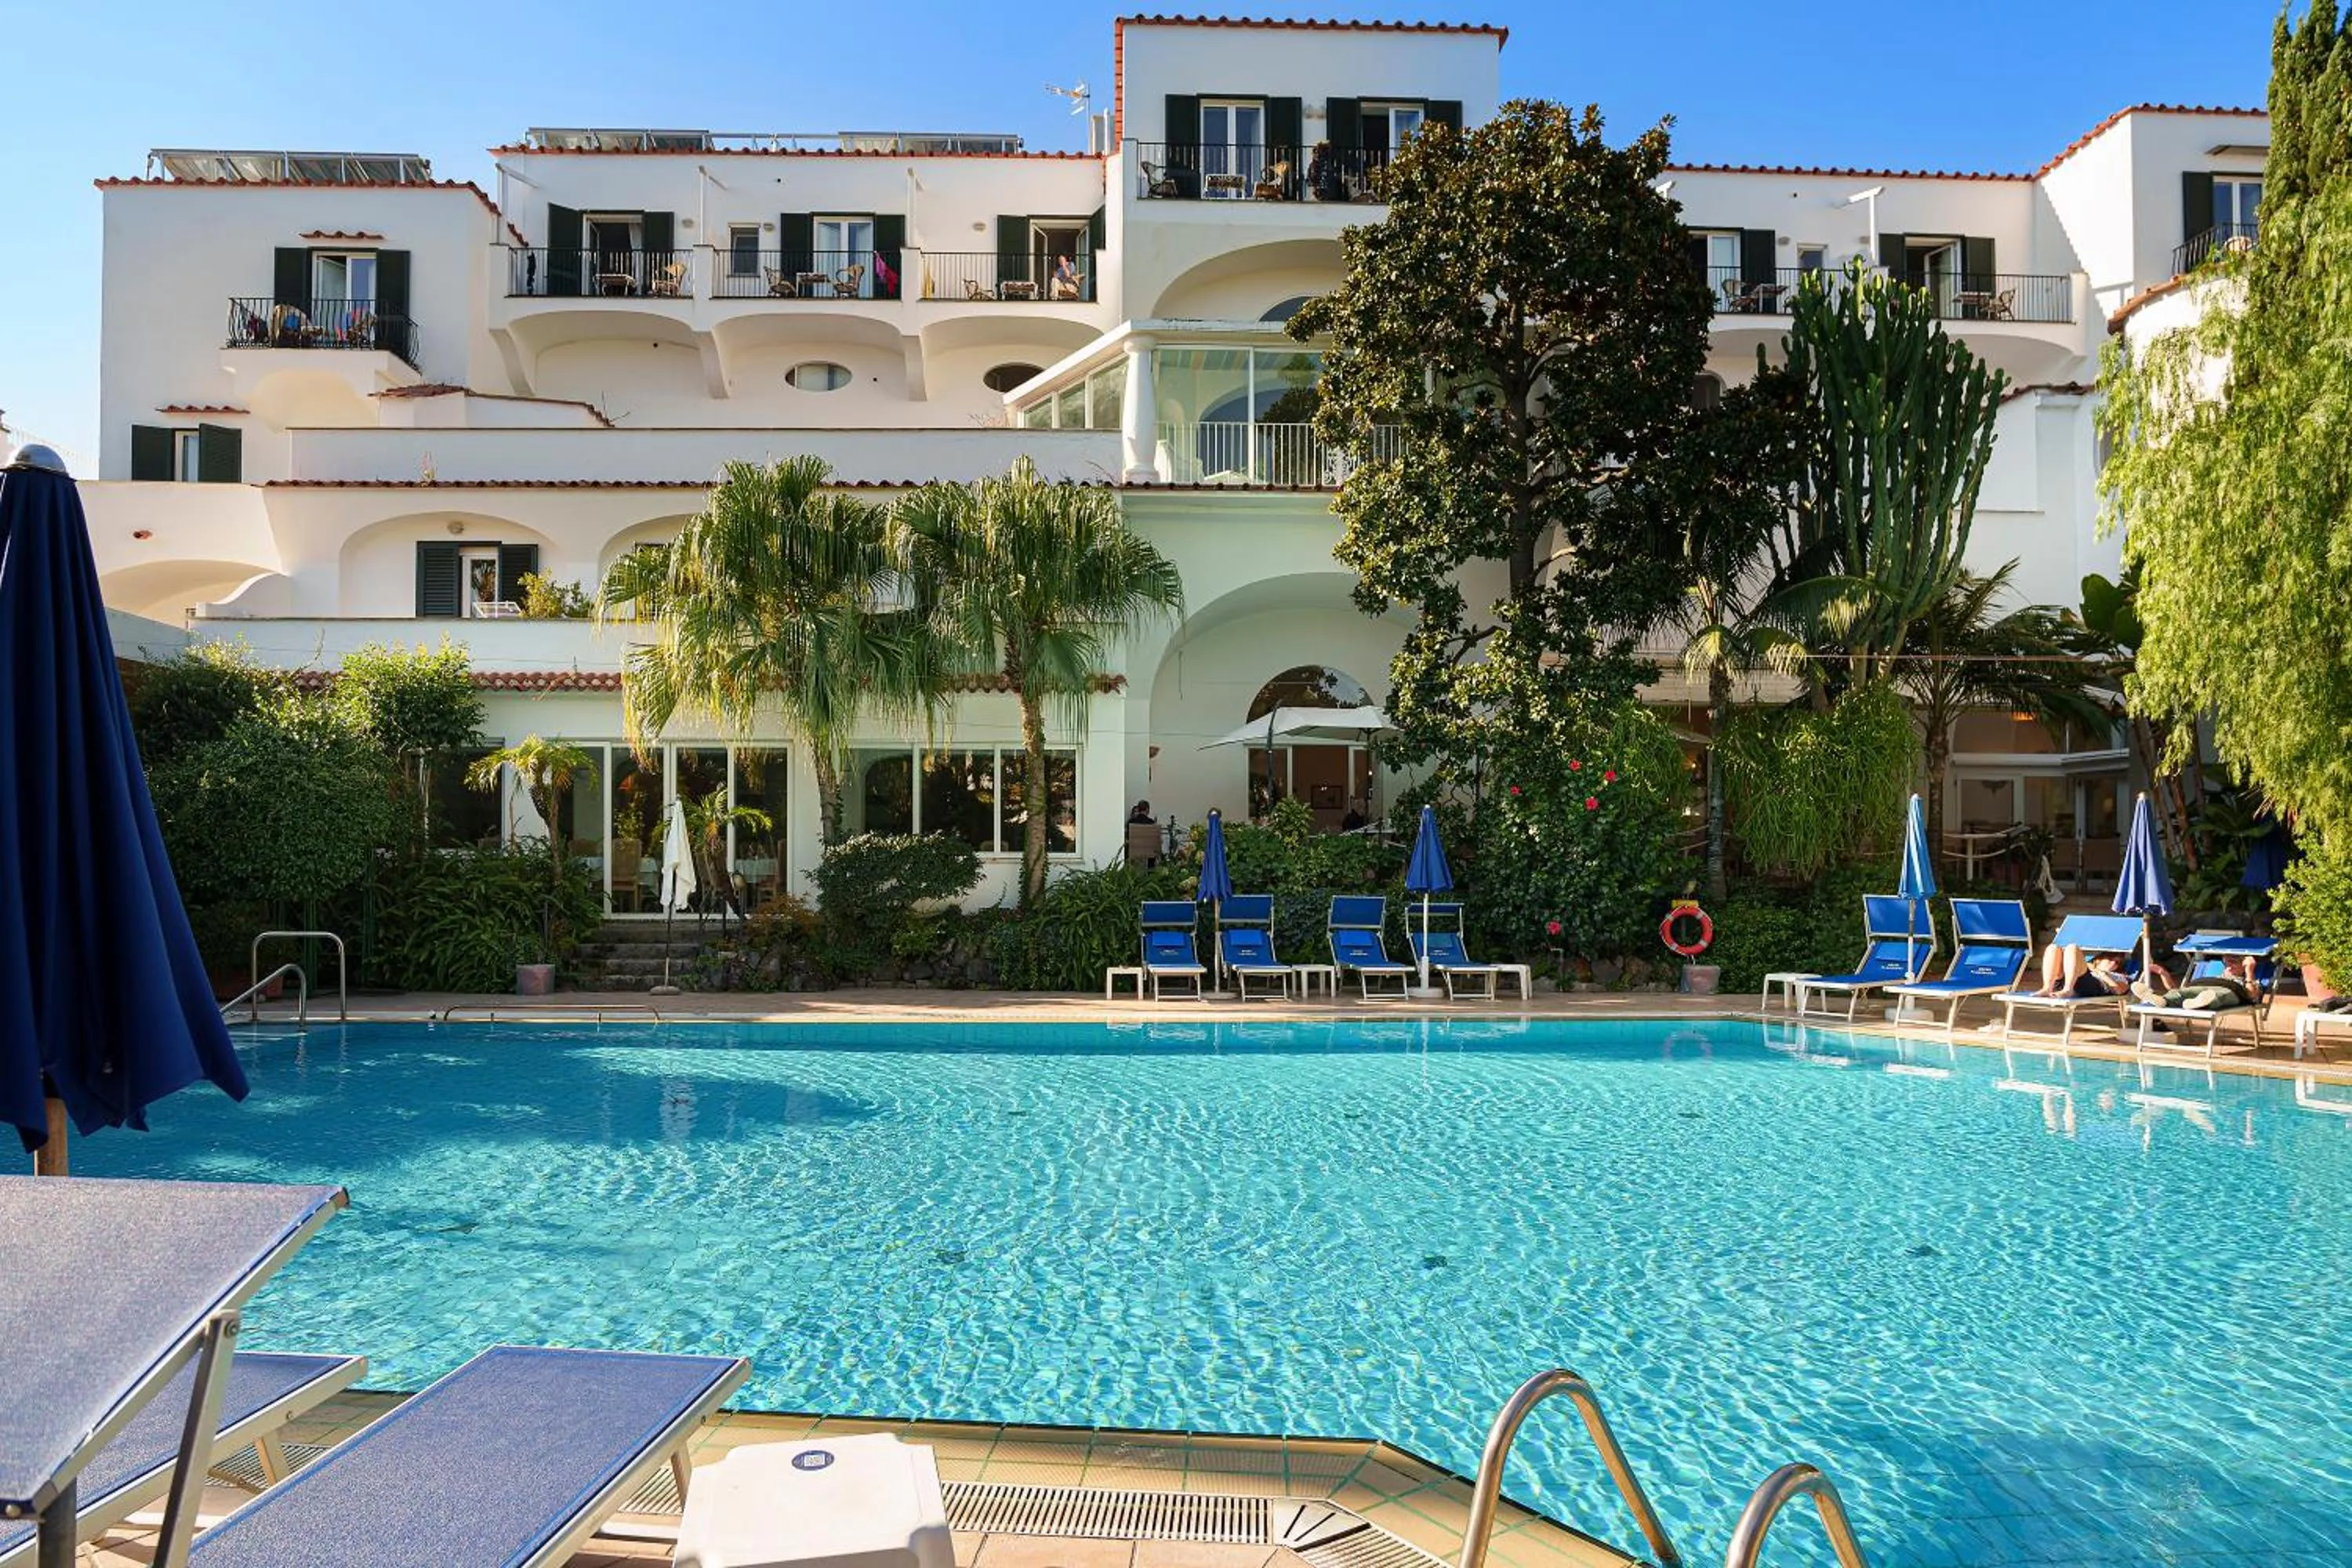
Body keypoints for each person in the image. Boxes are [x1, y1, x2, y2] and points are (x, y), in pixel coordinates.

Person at [2031, 945, 2161, 1000]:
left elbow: (2120, 991)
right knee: (2053, 947)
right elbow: (2084, 966)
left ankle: (2068, 989)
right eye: (2110, 959)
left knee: (2072, 948)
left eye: (2118, 963)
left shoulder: (2121, 976)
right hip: (2070, 978)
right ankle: (2047, 987)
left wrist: (2103, 974)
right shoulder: (2087, 966)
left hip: (2090, 986)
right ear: (2098, 960)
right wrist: (2094, 969)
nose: (2114, 964)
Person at [2135, 953, 2258, 1011]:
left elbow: (2252, 995)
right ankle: (2164, 1000)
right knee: (2186, 991)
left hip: (2232, 993)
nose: (2229, 965)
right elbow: (2175, 989)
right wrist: (2164, 974)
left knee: (2220, 994)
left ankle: (2201, 1003)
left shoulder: (2248, 980)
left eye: (2234, 962)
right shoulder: (2216, 977)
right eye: (2227, 962)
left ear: (2244, 964)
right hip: (2207, 988)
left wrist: (2249, 970)